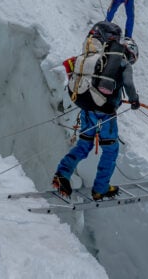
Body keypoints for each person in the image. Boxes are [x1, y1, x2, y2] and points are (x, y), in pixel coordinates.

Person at [53, 22, 140, 201]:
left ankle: (62, 175)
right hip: (106, 115)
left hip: (87, 108)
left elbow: (70, 67)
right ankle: (100, 188)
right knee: (111, 149)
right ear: (130, 52)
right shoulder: (122, 62)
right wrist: (134, 100)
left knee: (84, 145)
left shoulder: (96, 58)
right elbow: (129, 85)